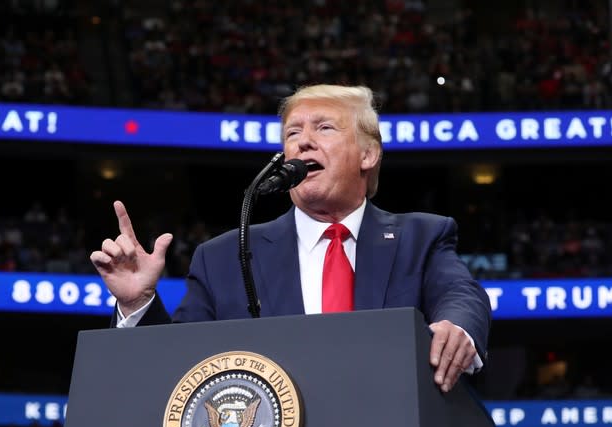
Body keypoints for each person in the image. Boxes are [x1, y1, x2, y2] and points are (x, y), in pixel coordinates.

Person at [90, 84, 491, 393]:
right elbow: (179, 370)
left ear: (368, 155)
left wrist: (458, 329)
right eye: (292, 133)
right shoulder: (225, 257)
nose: (302, 141)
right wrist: (137, 302)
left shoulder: (422, 236)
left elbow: (460, 294)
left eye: (325, 128)